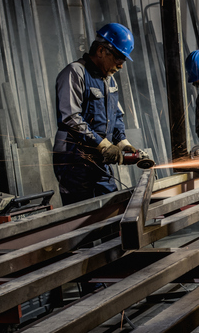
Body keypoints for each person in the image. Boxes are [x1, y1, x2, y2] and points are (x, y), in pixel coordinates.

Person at [52, 23, 138, 205]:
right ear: (101, 51)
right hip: (74, 161)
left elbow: (116, 116)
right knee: (80, 217)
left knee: (111, 209)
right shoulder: (75, 73)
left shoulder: (109, 80)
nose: (121, 66)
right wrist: (103, 145)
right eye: (119, 59)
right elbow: (71, 118)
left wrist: (122, 142)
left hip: (99, 161)